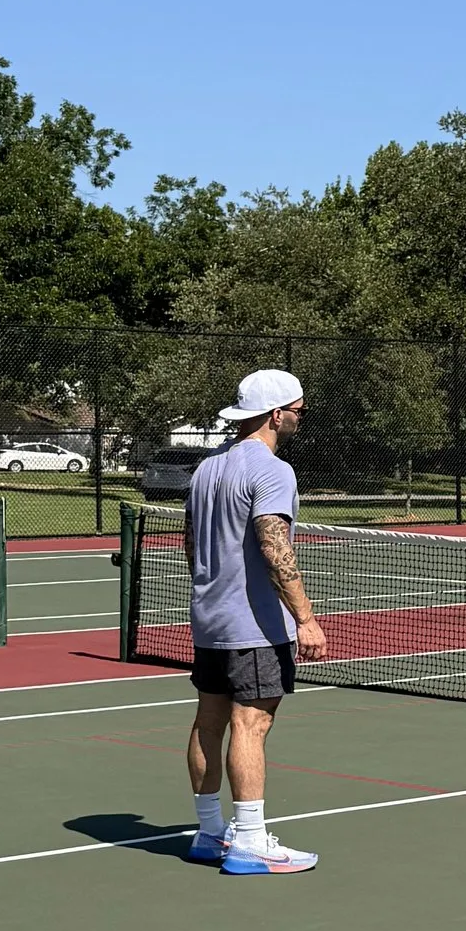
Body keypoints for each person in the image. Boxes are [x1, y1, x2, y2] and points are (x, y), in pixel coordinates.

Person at [183, 368, 328, 875]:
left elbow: (191, 545)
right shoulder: (273, 471)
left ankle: (208, 833)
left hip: (209, 621)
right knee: (251, 723)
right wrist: (305, 619)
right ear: (276, 414)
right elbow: (274, 546)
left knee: (209, 722)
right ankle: (247, 841)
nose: (300, 417)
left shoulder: (206, 470)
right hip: (254, 627)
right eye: (299, 409)